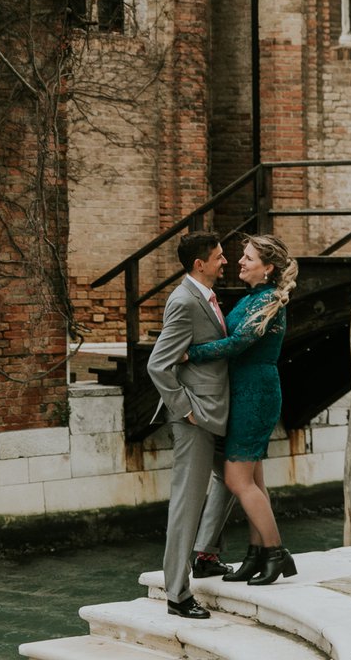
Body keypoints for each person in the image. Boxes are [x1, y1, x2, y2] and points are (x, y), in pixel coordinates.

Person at [185, 233, 298, 586]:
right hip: (246, 392)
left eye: (248, 258)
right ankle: (255, 554)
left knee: (236, 479)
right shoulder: (254, 298)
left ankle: (276, 553)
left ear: (268, 268)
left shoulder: (267, 301)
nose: (240, 262)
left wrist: (191, 353)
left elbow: (238, 343)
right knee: (254, 481)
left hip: (256, 394)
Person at [146, 232, 233, 620]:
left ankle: (204, 553)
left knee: (235, 478)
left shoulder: (205, 297)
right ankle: (178, 595)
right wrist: (185, 409)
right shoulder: (184, 301)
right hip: (195, 418)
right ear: (200, 264)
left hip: (216, 412)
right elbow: (158, 364)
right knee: (186, 503)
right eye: (219, 256)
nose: (225, 261)